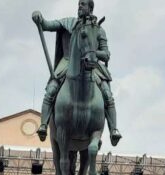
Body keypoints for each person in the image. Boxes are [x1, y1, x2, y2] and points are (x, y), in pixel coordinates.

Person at [32, 0, 122, 142]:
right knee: (51, 89)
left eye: (83, 4)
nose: (79, 6)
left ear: (90, 8)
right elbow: (47, 25)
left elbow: (106, 54)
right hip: (68, 62)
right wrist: (39, 18)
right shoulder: (69, 22)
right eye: (79, 4)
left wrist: (92, 53)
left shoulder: (98, 29)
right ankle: (43, 124)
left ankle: (113, 129)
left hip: (91, 64)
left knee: (107, 93)